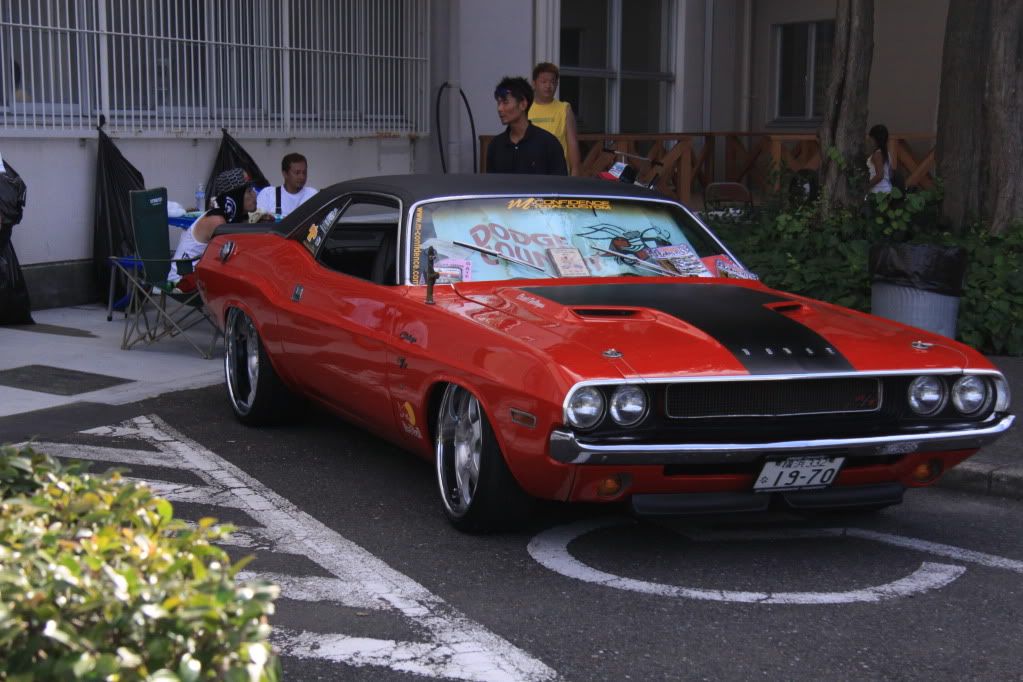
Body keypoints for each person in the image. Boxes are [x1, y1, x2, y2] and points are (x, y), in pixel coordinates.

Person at [168, 168, 255, 291]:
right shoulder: (217, 221)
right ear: (237, 196)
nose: (255, 194)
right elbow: (231, 258)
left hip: (199, 276)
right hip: (182, 282)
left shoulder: (233, 217)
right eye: (249, 190)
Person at [485, 76, 567, 176]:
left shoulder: (548, 144)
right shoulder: (496, 146)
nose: (500, 108)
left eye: (505, 102)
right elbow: (492, 186)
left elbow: (559, 186)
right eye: (498, 103)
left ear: (523, 104)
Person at [529, 62, 581, 176]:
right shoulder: (525, 109)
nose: (548, 86)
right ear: (534, 84)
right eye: (543, 82)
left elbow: (573, 146)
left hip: (557, 175)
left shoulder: (564, 109)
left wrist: (574, 177)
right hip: (531, 177)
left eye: (552, 82)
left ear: (557, 84)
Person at [256, 152, 317, 217]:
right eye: (297, 173)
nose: (302, 177)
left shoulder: (312, 194)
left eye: (304, 172)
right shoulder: (267, 194)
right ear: (285, 174)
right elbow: (259, 222)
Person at [867, 124, 892, 194]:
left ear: (874, 139)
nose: (869, 140)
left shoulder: (877, 155)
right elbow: (890, 173)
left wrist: (866, 186)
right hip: (886, 189)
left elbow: (880, 175)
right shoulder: (886, 154)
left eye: (871, 138)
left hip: (878, 192)